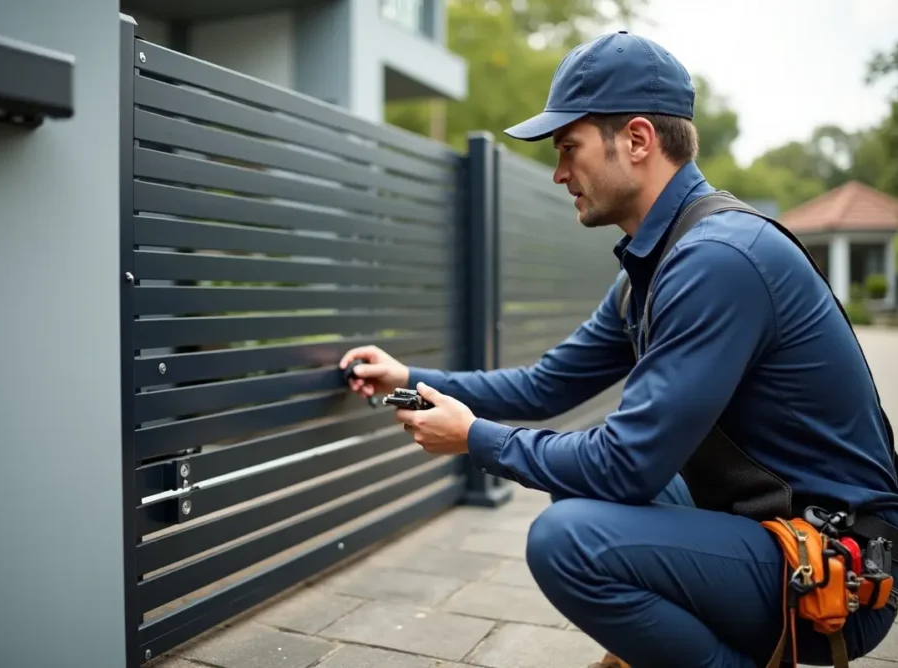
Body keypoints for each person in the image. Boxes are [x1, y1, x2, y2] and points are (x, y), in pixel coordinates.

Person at [339, 30, 898, 668]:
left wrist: (476, 439)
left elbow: (626, 465)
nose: (558, 173)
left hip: (836, 571)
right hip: (768, 527)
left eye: (568, 148)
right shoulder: (656, 264)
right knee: (575, 492)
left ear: (636, 140)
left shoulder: (716, 260)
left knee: (569, 539)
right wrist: (407, 375)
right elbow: (546, 386)